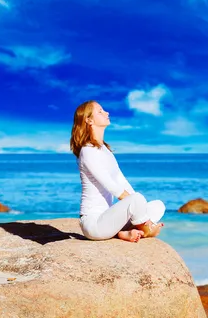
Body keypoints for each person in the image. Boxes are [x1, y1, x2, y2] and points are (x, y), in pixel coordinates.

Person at [70, 100, 165, 242]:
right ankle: (146, 231)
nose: (106, 112)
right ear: (88, 120)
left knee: (158, 205)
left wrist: (140, 208)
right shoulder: (87, 150)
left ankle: (121, 232)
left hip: (109, 219)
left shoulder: (105, 150)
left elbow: (121, 181)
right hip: (94, 224)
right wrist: (146, 219)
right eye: (100, 111)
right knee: (136, 199)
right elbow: (112, 186)